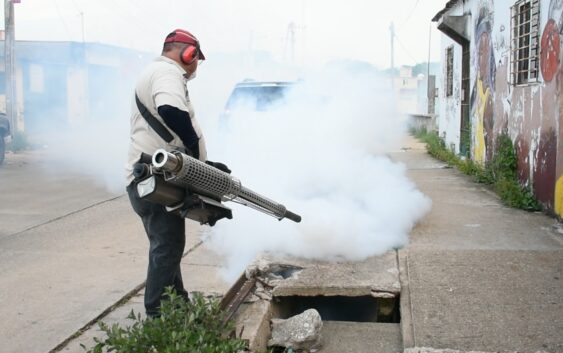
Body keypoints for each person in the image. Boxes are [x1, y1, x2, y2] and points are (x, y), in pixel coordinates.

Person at [125, 29, 212, 318]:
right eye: (196, 58)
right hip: (156, 180)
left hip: (151, 179)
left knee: (168, 247)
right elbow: (171, 109)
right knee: (168, 247)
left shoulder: (157, 72)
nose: (196, 66)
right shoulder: (167, 73)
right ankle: (158, 317)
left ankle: (178, 308)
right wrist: (191, 148)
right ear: (188, 54)